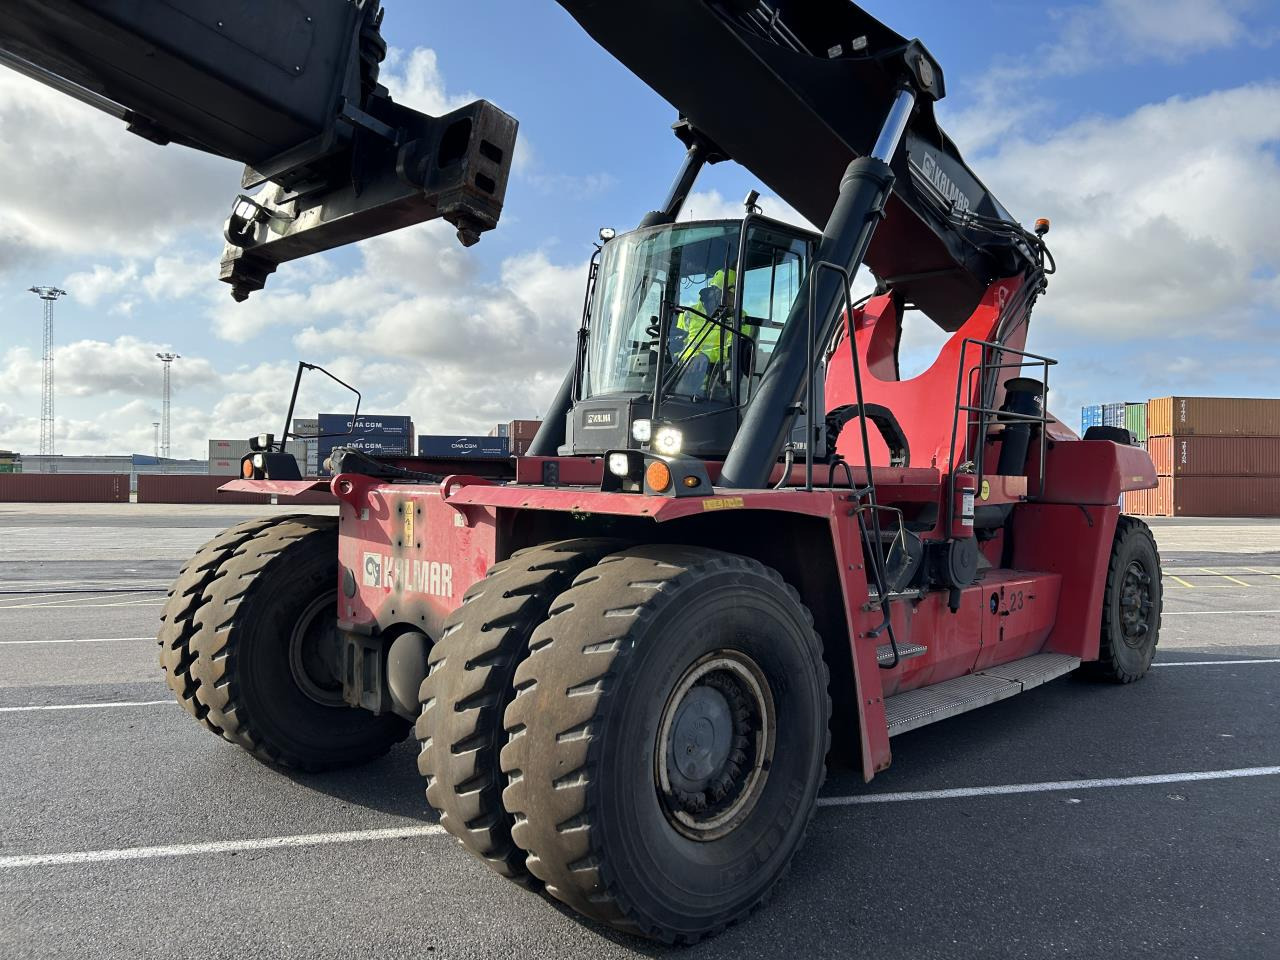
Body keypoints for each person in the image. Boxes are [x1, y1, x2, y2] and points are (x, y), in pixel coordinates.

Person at [673, 269, 736, 396]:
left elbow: (733, 351)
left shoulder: (740, 318)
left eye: (734, 296)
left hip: (716, 381)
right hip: (685, 372)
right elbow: (678, 344)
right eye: (731, 295)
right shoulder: (688, 313)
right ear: (717, 293)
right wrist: (686, 359)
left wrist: (706, 356)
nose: (733, 300)